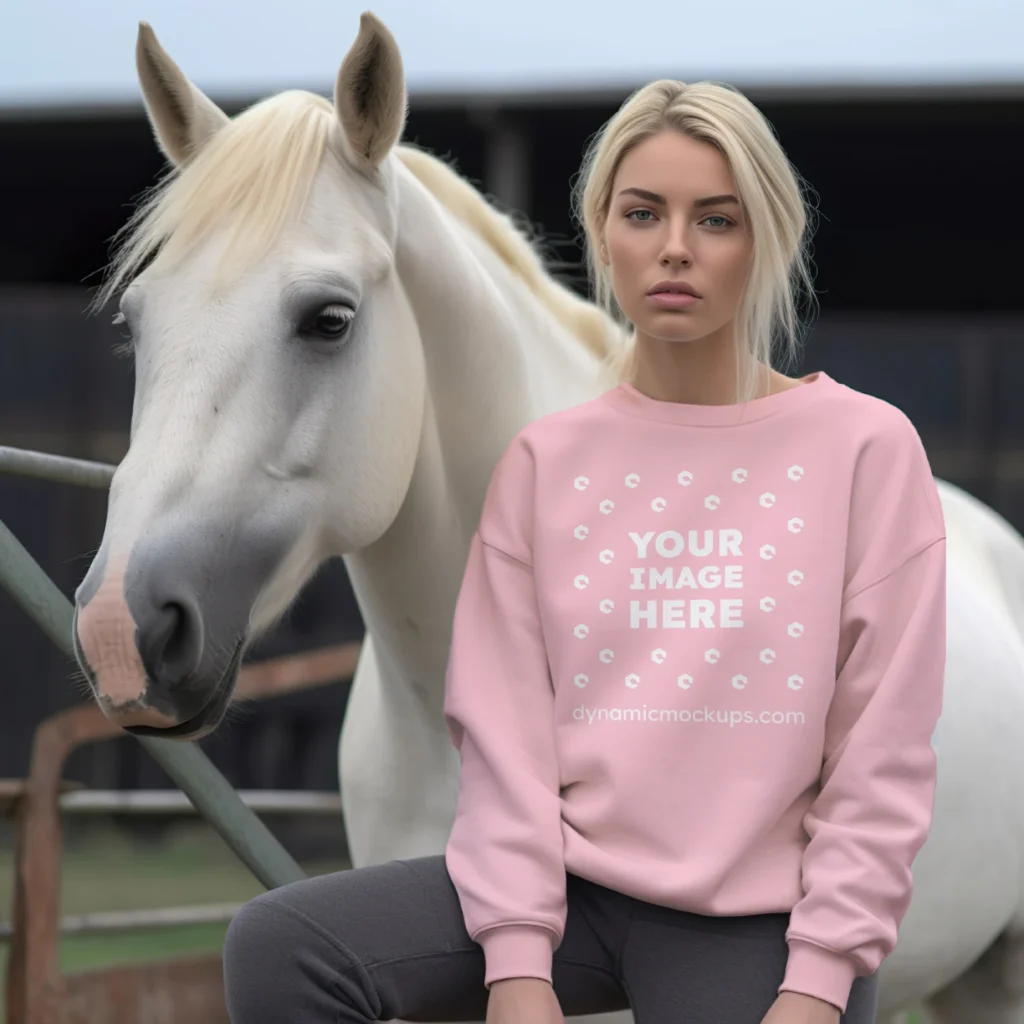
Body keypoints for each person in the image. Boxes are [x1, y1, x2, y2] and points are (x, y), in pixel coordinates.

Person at [222, 78, 945, 1024]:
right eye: (643, 213)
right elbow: (506, 740)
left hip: (758, 925)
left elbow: (880, 756)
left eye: (715, 219)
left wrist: (816, 986)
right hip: (575, 899)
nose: (675, 247)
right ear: (603, 228)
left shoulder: (865, 449)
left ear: (766, 236)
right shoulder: (546, 462)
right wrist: (519, 970)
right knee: (280, 949)